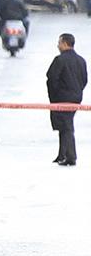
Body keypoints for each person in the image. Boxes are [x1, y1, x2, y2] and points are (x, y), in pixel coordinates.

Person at [47, 33, 88, 166]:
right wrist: (77, 91)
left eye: (59, 43)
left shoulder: (59, 60)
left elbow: (52, 78)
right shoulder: (81, 60)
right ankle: (62, 154)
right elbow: (84, 80)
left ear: (65, 44)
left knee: (67, 126)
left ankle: (71, 156)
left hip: (62, 98)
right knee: (65, 124)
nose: (58, 46)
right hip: (76, 97)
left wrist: (55, 96)